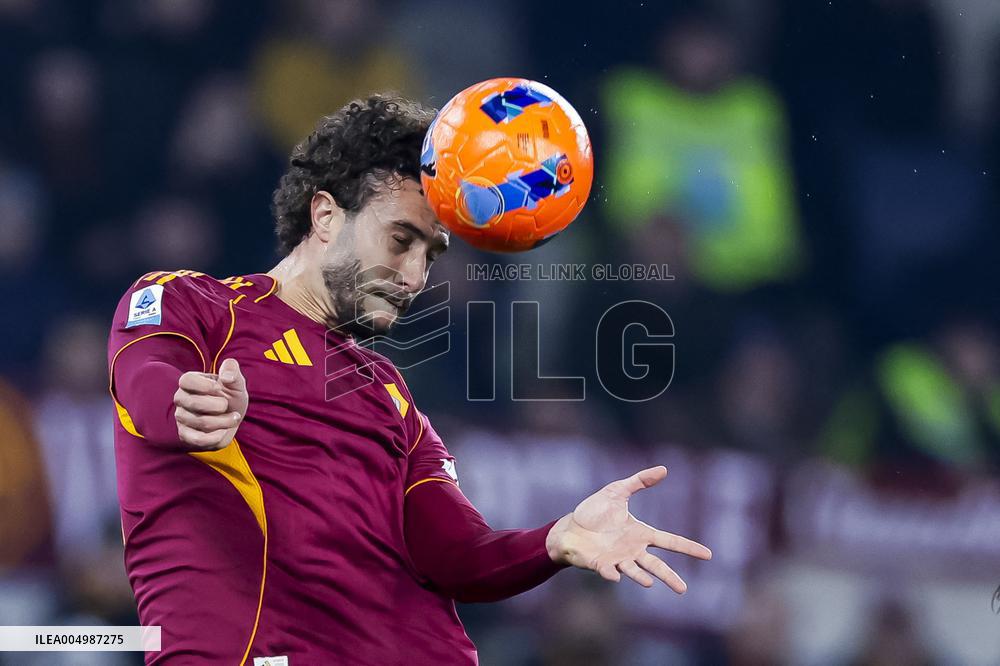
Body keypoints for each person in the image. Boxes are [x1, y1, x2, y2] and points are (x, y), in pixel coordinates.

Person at [108, 95, 712, 665]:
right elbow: (146, 377)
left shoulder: (389, 393)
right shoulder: (194, 305)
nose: (416, 276)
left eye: (431, 253)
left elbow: (457, 556)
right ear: (325, 215)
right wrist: (189, 405)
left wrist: (556, 539)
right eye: (401, 240)